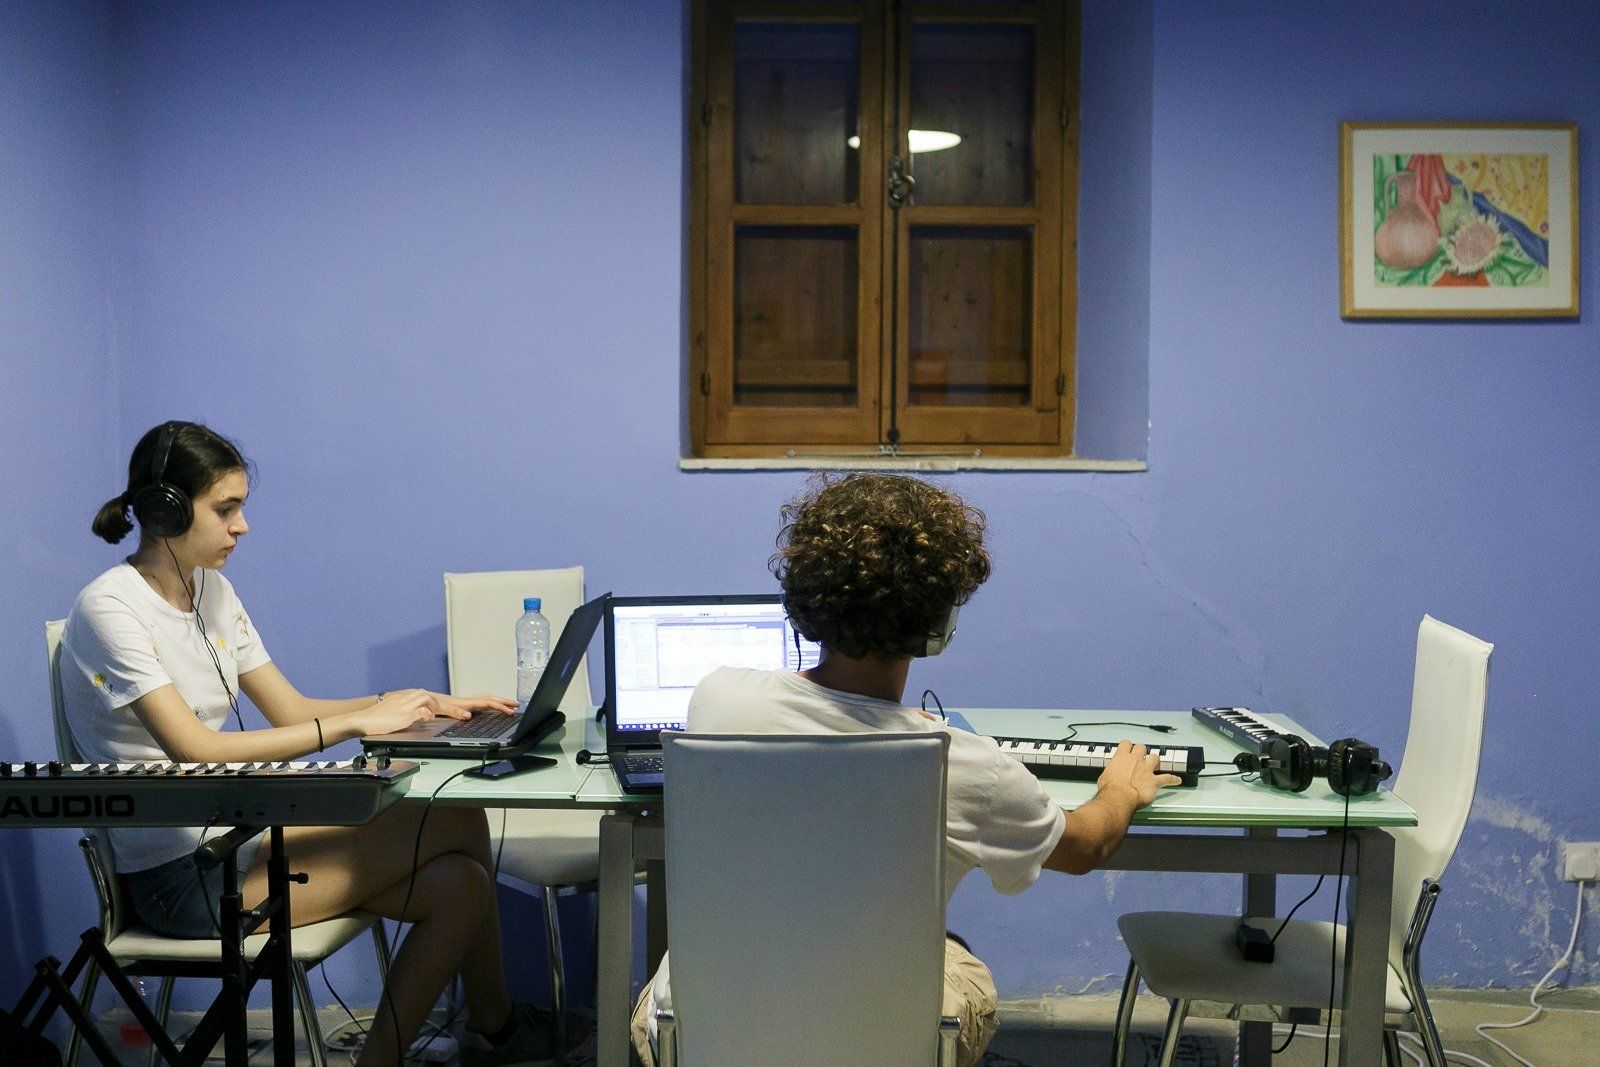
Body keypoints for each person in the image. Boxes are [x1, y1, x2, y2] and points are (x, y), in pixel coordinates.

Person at [59, 421, 573, 1066]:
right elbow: (196, 749)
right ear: (166, 509)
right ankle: (496, 1031)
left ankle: (463, 1039)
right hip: (179, 880)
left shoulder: (210, 590)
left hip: (235, 843)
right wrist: (359, 725)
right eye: (226, 509)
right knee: (459, 818)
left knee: (460, 885)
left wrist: (410, 702)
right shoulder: (110, 608)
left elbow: (291, 710)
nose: (242, 526)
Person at [629, 473, 1183, 1067]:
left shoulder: (717, 698)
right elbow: (1085, 847)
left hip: (698, 1034)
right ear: (937, 624)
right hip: (879, 1044)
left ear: (804, 601)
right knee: (951, 952)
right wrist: (1120, 791)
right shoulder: (962, 765)